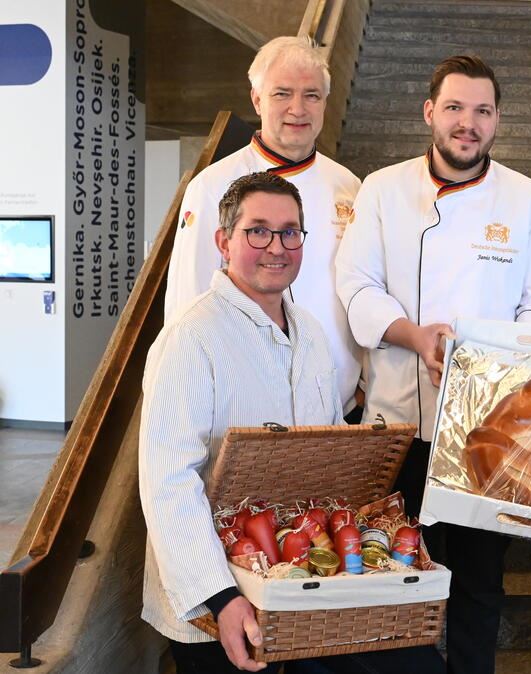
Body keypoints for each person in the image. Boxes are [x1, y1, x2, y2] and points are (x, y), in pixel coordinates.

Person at [140, 172, 443, 674]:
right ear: (223, 242)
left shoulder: (309, 331)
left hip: (295, 581)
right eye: (257, 231)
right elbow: (167, 483)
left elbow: (326, 451)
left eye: (289, 232)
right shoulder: (191, 338)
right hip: (217, 599)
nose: (277, 247)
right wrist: (220, 597)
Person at [334, 55, 531, 674]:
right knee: (393, 576)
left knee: (479, 582)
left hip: (486, 429)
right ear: (429, 112)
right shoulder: (383, 189)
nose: (469, 123)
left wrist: (482, 367)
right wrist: (415, 337)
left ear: (497, 120)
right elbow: (356, 285)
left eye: (483, 111)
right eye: (456, 108)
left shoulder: (527, 199)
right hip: (396, 424)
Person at [164, 36, 363, 418]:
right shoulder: (211, 186)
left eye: (311, 95)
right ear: (257, 100)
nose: (297, 109)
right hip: (244, 411)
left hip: (336, 408)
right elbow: (187, 302)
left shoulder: (348, 186)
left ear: (325, 102)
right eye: (282, 94)